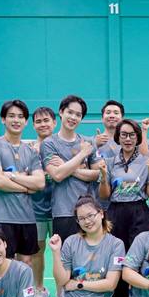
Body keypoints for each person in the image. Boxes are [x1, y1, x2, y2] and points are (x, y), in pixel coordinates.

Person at [0, 99, 46, 297]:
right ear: (3, 119)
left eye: (20, 116)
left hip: (26, 218)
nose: (16, 120)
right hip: (2, 217)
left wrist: (11, 177)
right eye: (11, 115)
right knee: (2, 267)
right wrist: (25, 186)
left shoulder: (30, 151)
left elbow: (40, 182)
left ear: (26, 121)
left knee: (25, 266)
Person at [98, 118, 149, 297]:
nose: (128, 138)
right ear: (118, 137)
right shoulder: (109, 162)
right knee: (118, 261)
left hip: (139, 212)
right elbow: (104, 196)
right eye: (123, 134)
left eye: (132, 134)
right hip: (116, 213)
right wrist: (103, 176)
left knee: (141, 261)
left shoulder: (147, 161)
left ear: (138, 137)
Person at [41, 95, 101, 243]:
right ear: (61, 112)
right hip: (63, 212)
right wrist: (82, 155)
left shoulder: (88, 142)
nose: (73, 117)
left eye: (78, 115)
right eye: (70, 112)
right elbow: (57, 175)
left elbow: (97, 174)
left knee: (91, 254)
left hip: (89, 212)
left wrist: (66, 167)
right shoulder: (49, 143)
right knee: (65, 255)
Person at [28, 106, 57, 297]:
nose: (43, 124)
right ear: (33, 125)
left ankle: (64, 291)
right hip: (36, 209)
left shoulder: (60, 146)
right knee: (37, 251)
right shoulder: (28, 149)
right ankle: (39, 289)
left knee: (61, 252)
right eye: (38, 121)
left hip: (59, 208)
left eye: (46, 120)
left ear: (54, 123)